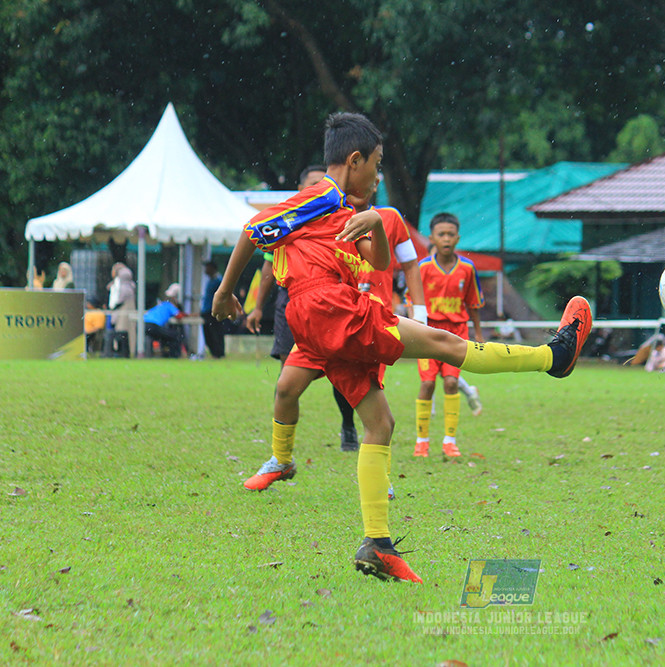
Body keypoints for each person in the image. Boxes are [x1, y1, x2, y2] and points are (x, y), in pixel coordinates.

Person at [212, 112, 592, 584]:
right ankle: (553, 357)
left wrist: (376, 222)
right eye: (376, 165)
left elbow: (379, 262)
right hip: (330, 308)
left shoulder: (340, 214)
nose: (377, 176)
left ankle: (377, 544)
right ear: (354, 161)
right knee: (445, 344)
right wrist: (225, 292)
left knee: (380, 424)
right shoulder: (322, 195)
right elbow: (253, 229)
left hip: (315, 323)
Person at [246, 165, 428, 453]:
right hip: (318, 310)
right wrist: (256, 304)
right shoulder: (306, 217)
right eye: (313, 185)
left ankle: (358, 439)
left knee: (371, 395)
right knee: (287, 383)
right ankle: (281, 457)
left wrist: (420, 312)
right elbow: (262, 250)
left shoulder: (387, 218)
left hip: (368, 314)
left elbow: (407, 264)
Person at [414, 212, 484, 458]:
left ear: (458, 238)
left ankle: (449, 441)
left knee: (452, 382)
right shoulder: (423, 268)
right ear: (432, 238)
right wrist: (416, 327)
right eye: (441, 234)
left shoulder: (467, 268)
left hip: (456, 333)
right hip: (428, 334)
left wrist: (478, 333)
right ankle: (422, 441)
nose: (446, 238)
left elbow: (473, 303)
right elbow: (412, 300)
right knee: (427, 383)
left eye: (450, 234)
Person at [143, 283, 186, 357]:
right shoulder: (169, 305)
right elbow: (179, 316)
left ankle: (160, 354)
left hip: (144, 324)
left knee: (164, 336)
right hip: (153, 325)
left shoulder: (160, 305)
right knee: (175, 336)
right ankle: (174, 356)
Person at [107, 263, 137, 357]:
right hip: (123, 312)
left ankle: (123, 352)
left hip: (123, 313)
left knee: (122, 332)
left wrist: (114, 306)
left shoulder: (124, 287)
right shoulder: (130, 285)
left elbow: (119, 299)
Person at [201, 261, 225, 358]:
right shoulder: (210, 281)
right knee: (208, 333)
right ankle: (214, 353)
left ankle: (219, 353)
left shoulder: (218, 281)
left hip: (214, 311)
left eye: (207, 267)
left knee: (216, 333)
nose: (205, 270)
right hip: (206, 311)